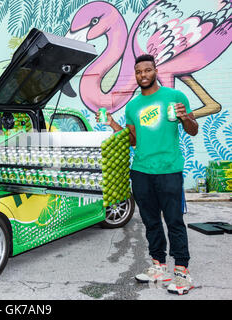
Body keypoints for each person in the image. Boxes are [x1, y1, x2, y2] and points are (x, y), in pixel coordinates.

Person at [97, 54, 198, 295]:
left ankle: (182, 273)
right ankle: (158, 266)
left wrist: (185, 117)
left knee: (173, 221)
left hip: (168, 169)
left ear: (155, 71)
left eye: (147, 70)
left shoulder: (175, 97)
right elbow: (132, 140)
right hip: (141, 171)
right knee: (151, 221)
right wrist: (112, 123)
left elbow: (193, 130)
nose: (143, 75)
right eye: (139, 72)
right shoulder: (132, 106)